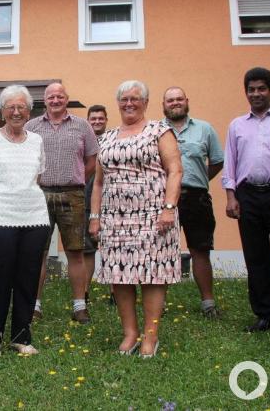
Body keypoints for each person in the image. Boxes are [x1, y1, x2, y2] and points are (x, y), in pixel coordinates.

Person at [89, 80, 183, 358]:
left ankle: (150, 337)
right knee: (120, 275)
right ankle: (130, 333)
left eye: (135, 98)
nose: (129, 103)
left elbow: (175, 170)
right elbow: (97, 183)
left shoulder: (159, 131)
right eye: (124, 99)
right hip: (114, 219)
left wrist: (169, 207)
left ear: (145, 102)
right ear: (117, 103)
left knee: (153, 275)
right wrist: (95, 217)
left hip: (154, 216)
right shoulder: (106, 137)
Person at [221, 68, 270, 335]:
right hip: (248, 197)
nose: (256, 94)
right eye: (251, 89)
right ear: (246, 92)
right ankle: (264, 313)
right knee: (255, 258)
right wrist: (231, 196)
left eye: (261, 88)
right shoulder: (237, 125)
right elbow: (230, 164)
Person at [0, 85, 50, 358]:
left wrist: (24, 198)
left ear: (29, 111)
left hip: (34, 217)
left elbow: (37, 177)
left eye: (22, 107)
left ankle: (21, 336)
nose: (16, 112)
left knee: (28, 278)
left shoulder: (37, 140)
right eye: (11, 107)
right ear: (2, 111)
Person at [26, 82, 98, 324]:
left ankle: (80, 305)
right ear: (44, 101)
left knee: (75, 252)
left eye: (60, 96)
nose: (55, 100)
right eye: (51, 97)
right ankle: (34, 305)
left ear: (67, 99)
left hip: (73, 195)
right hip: (39, 194)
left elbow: (91, 160)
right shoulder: (31, 126)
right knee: (38, 253)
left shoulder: (82, 126)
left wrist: (75, 179)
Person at [162, 86, 224, 318]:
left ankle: (208, 303)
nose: (175, 103)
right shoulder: (155, 130)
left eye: (179, 99)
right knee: (163, 251)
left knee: (200, 250)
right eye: (170, 100)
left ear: (187, 101)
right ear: (163, 105)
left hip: (196, 198)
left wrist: (199, 179)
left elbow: (217, 161)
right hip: (164, 200)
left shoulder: (205, 129)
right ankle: (160, 302)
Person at [83, 105, 108, 303]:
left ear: (106, 120)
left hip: (111, 203)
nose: (97, 121)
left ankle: (116, 293)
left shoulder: (113, 140)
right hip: (85, 201)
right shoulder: (83, 142)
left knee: (111, 249)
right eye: (93, 119)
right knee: (87, 249)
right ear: (88, 120)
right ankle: (84, 291)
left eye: (101, 118)